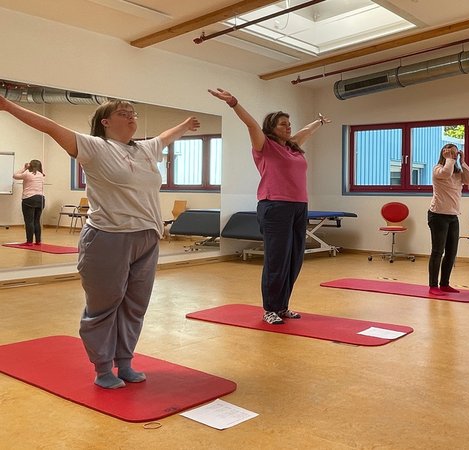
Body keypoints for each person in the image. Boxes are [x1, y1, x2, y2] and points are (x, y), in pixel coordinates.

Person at [0, 95, 200, 389]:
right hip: (108, 236)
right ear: (105, 122)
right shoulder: (94, 147)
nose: (131, 116)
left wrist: (184, 124)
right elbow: (51, 127)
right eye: (123, 113)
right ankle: (103, 367)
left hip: (146, 236)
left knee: (135, 305)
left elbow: (165, 137)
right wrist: (8, 106)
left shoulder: (145, 148)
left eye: (133, 113)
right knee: (104, 305)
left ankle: (126, 362)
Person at [208, 88, 329, 325]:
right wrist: (234, 102)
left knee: (295, 258)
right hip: (275, 206)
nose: (288, 127)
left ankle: (283, 306)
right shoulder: (265, 146)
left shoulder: (293, 147)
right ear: (271, 128)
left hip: (298, 207)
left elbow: (305, 131)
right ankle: (270, 308)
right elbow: (252, 125)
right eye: (282, 124)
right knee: (277, 259)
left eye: (288, 123)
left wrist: (319, 122)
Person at [428, 143, 469, 295]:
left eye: (455, 153)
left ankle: (445, 284)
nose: (453, 156)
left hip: (453, 216)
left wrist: (463, 161)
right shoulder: (438, 170)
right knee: (437, 251)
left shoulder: (458, 174)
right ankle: (433, 286)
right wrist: (448, 159)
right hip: (437, 215)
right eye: (450, 153)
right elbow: (446, 173)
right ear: (444, 154)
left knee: (451, 252)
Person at [12, 159, 45, 245]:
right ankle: (38, 241)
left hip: (29, 199)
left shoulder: (27, 173)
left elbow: (15, 175)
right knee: (37, 221)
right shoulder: (41, 175)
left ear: (30, 165)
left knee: (29, 221)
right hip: (41, 199)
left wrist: (24, 168)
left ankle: (29, 241)